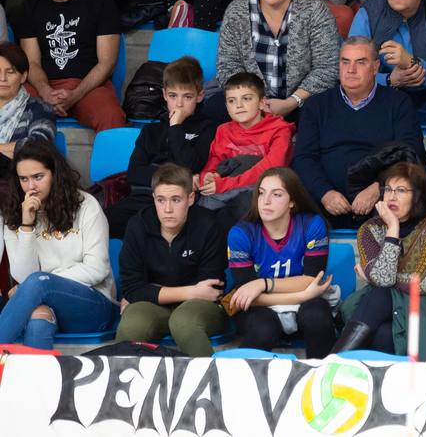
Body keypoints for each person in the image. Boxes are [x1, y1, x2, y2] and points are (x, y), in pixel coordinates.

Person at [292, 37, 424, 230]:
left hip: (383, 203)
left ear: (376, 66)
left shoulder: (398, 103)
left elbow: (413, 154)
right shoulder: (316, 106)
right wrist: (325, 193)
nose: (351, 70)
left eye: (360, 62)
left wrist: (379, 189)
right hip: (322, 203)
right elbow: (304, 158)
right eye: (345, 62)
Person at [333, 162, 426, 360]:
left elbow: (422, 284)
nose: (391, 196)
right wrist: (392, 229)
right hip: (382, 308)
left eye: (401, 190)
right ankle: (337, 367)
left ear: (417, 196)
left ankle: (332, 363)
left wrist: (373, 277)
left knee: (381, 293)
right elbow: (383, 280)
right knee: (381, 331)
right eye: (388, 189)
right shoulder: (369, 229)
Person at [0, 141, 115, 349]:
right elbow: (23, 276)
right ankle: (37, 382)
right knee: (37, 321)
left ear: (54, 174)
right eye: (23, 179)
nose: (31, 186)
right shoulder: (15, 214)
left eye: (38, 177)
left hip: (93, 305)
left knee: (38, 283)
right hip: (43, 304)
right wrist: (27, 226)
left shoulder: (86, 205)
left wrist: (46, 282)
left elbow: (97, 269)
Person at [212, 0, 341, 123]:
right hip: (251, 101)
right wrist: (253, 101)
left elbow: (327, 68)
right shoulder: (237, 11)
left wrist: (292, 101)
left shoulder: (315, 11)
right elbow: (228, 64)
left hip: (301, 102)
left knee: (322, 111)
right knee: (214, 107)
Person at [114, 163, 229, 356]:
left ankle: (209, 384)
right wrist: (192, 291)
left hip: (200, 307)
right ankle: (124, 385)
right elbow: (133, 288)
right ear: (154, 199)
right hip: (156, 306)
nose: (167, 209)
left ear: (191, 198)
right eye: (161, 200)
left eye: (176, 200)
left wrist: (149, 290)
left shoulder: (208, 225)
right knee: (132, 324)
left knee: (183, 322)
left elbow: (210, 290)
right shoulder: (138, 225)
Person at [15, 0, 126, 131]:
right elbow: (31, 63)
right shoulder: (29, 5)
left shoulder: (101, 3)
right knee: (12, 107)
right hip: (43, 83)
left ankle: (111, 163)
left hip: (88, 85)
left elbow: (107, 63)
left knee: (111, 116)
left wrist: (75, 94)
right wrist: (45, 91)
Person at [225, 167, 337, 357]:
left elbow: (311, 279)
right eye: (261, 193)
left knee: (317, 316)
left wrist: (263, 283)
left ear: (292, 201)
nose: (266, 201)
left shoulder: (312, 224)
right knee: (261, 327)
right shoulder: (241, 234)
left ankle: (322, 382)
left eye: (276, 194)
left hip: (307, 302)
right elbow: (247, 296)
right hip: (262, 307)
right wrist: (301, 296)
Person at [107, 56, 214, 237]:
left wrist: (176, 127)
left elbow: (191, 165)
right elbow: (134, 173)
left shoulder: (209, 129)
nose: (179, 104)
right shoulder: (151, 130)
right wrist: (176, 175)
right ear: (164, 94)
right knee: (103, 221)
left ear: (200, 96)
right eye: (173, 96)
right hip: (144, 197)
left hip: (179, 202)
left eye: (187, 97)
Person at [197, 72, 295, 218]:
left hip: (263, 192)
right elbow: (215, 161)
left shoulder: (280, 129)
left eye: (246, 98)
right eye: (231, 101)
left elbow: (270, 168)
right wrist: (208, 177)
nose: (239, 105)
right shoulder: (224, 130)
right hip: (226, 190)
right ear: (226, 106)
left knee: (244, 197)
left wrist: (224, 184)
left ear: (262, 102)